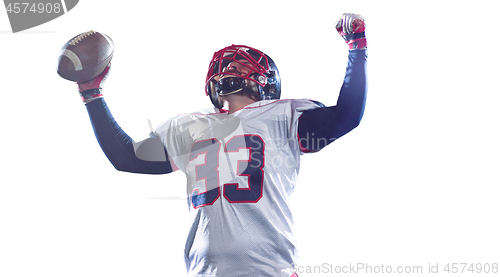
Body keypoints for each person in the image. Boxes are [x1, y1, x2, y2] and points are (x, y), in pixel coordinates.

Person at [72, 13, 367, 277]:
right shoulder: (188, 126)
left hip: (268, 270)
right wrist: (91, 93)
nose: (231, 66)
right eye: (229, 63)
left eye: (240, 63)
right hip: (205, 272)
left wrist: (357, 48)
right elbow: (127, 158)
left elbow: (346, 116)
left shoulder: (282, 116)